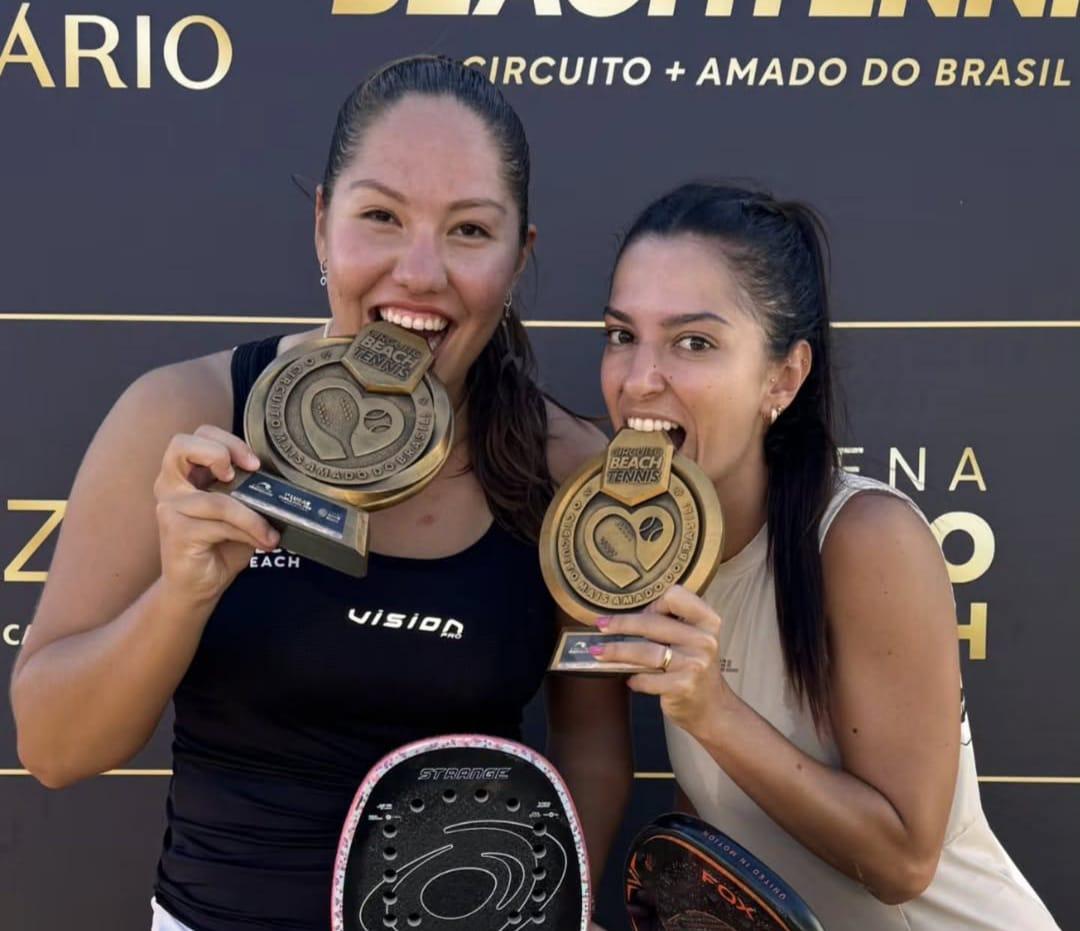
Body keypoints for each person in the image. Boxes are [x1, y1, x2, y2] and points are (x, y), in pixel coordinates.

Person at [10, 56, 631, 931]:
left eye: (468, 231)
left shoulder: (568, 469)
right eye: (380, 216)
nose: (419, 272)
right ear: (320, 226)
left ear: (519, 256)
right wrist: (183, 594)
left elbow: (596, 748)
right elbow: (54, 748)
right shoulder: (187, 416)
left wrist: (557, 908)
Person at [588, 182, 1059, 929]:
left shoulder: (866, 537)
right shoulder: (657, 548)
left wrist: (711, 710)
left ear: (784, 377)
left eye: (693, 342)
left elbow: (903, 862)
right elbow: (728, 808)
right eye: (621, 334)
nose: (639, 377)